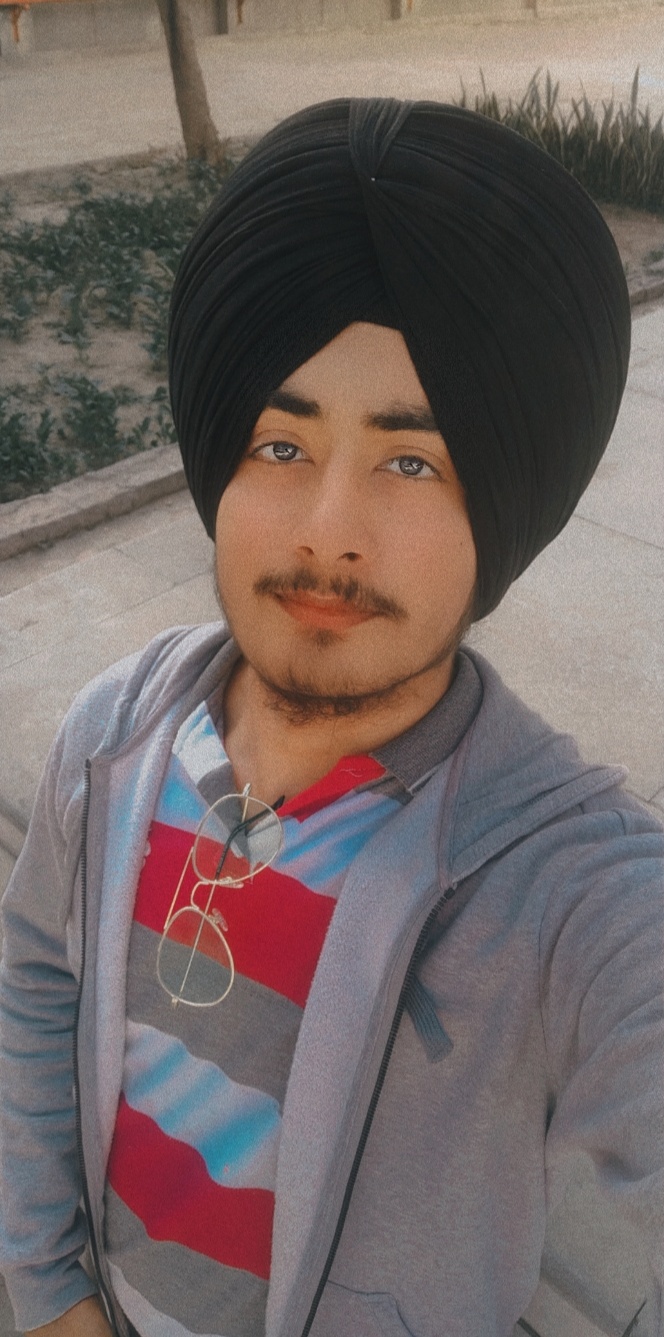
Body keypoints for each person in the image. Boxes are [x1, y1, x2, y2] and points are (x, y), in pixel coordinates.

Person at [0, 97, 662, 1337]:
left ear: (503, 498)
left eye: (411, 461)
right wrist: (49, 1288)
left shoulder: (565, 889)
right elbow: (35, 982)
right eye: (279, 443)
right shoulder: (111, 740)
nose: (326, 529)